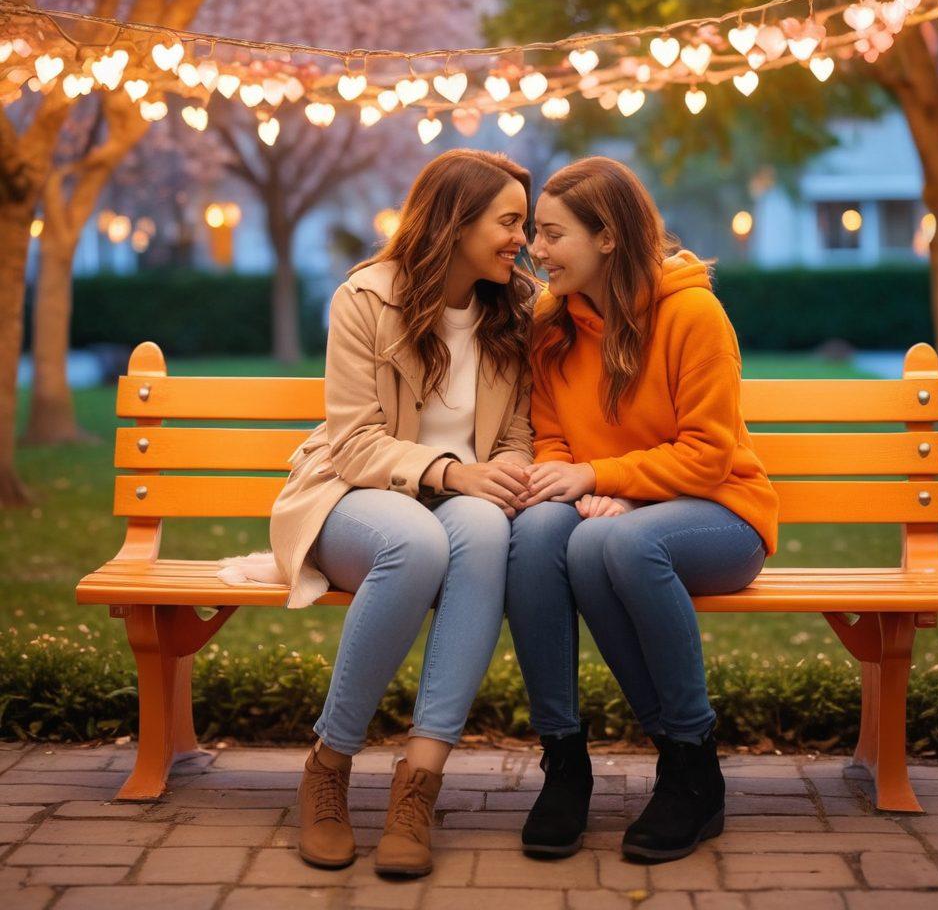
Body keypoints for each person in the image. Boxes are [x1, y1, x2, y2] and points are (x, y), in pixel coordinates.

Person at [267, 149, 535, 876]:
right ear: (456, 220)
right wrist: (451, 471)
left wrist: (502, 472)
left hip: (462, 505)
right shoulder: (366, 298)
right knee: (416, 541)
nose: (522, 238)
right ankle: (330, 764)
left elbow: (517, 436)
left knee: (481, 529)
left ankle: (418, 784)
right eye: (507, 222)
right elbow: (353, 443)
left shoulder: (514, 309)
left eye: (524, 223)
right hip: (352, 498)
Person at [505, 156, 780, 862]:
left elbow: (708, 454)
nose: (536, 249)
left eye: (552, 233)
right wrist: (578, 478)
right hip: (611, 512)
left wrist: (607, 477)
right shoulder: (550, 320)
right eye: (535, 232)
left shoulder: (691, 312)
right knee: (541, 534)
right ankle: (565, 762)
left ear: (608, 238)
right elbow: (551, 433)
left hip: (720, 514)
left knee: (620, 545)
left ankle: (690, 761)